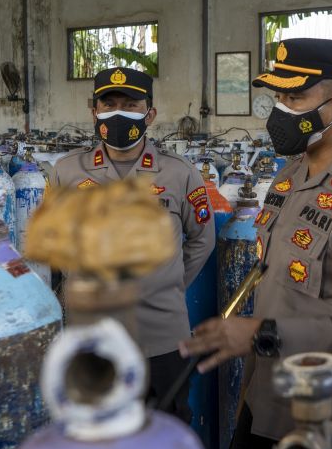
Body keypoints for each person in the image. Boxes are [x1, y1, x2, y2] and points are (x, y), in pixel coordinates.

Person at [180, 38, 332, 449]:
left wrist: (260, 334)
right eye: (278, 96)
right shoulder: (288, 177)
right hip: (265, 406)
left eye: (294, 96)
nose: (279, 110)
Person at [51, 66, 214, 421]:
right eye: (108, 104)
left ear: (150, 114)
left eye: (131, 104)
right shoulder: (66, 172)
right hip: (93, 334)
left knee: (166, 429)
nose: (119, 112)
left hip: (162, 336)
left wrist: (167, 286)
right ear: (93, 112)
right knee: (96, 431)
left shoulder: (179, 173)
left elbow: (202, 239)